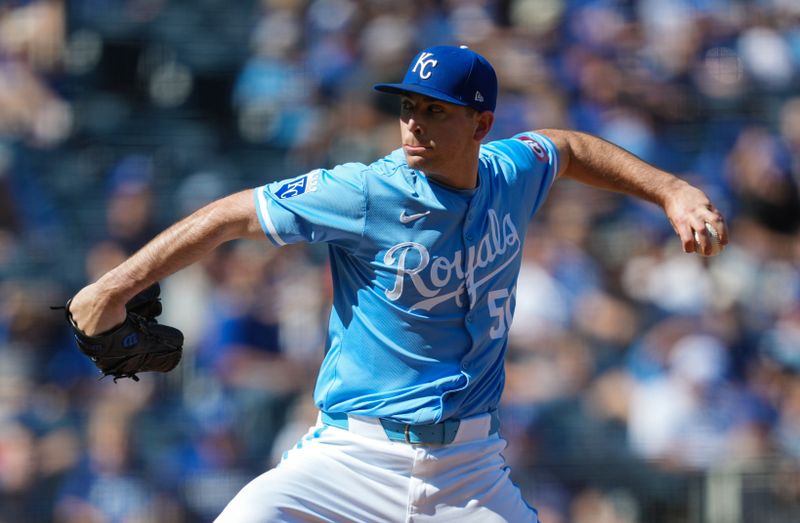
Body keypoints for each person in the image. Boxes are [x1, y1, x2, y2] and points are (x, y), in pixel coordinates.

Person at [68, 45, 728, 522]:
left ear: (480, 124)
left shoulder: (508, 172)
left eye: (434, 111)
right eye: (408, 106)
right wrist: (115, 287)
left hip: (469, 472)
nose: (413, 122)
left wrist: (671, 190)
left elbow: (570, 148)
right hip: (351, 457)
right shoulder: (365, 190)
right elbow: (235, 213)